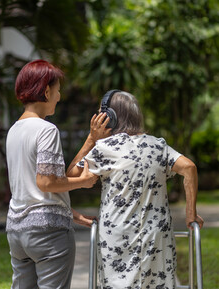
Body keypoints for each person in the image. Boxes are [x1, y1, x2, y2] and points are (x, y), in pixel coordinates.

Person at [68, 89, 204, 289]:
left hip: (117, 238)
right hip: (156, 239)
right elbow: (189, 168)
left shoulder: (104, 149)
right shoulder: (158, 146)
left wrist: (91, 138)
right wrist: (190, 214)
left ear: (110, 118)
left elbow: (71, 174)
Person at [5, 59, 110, 289]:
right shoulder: (46, 129)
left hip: (17, 234)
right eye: (58, 90)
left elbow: (31, 191)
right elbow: (46, 182)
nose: (59, 96)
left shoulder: (13, 131)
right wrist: (82, 182)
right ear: (45, 90)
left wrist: (72, 215)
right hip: (48, 235)